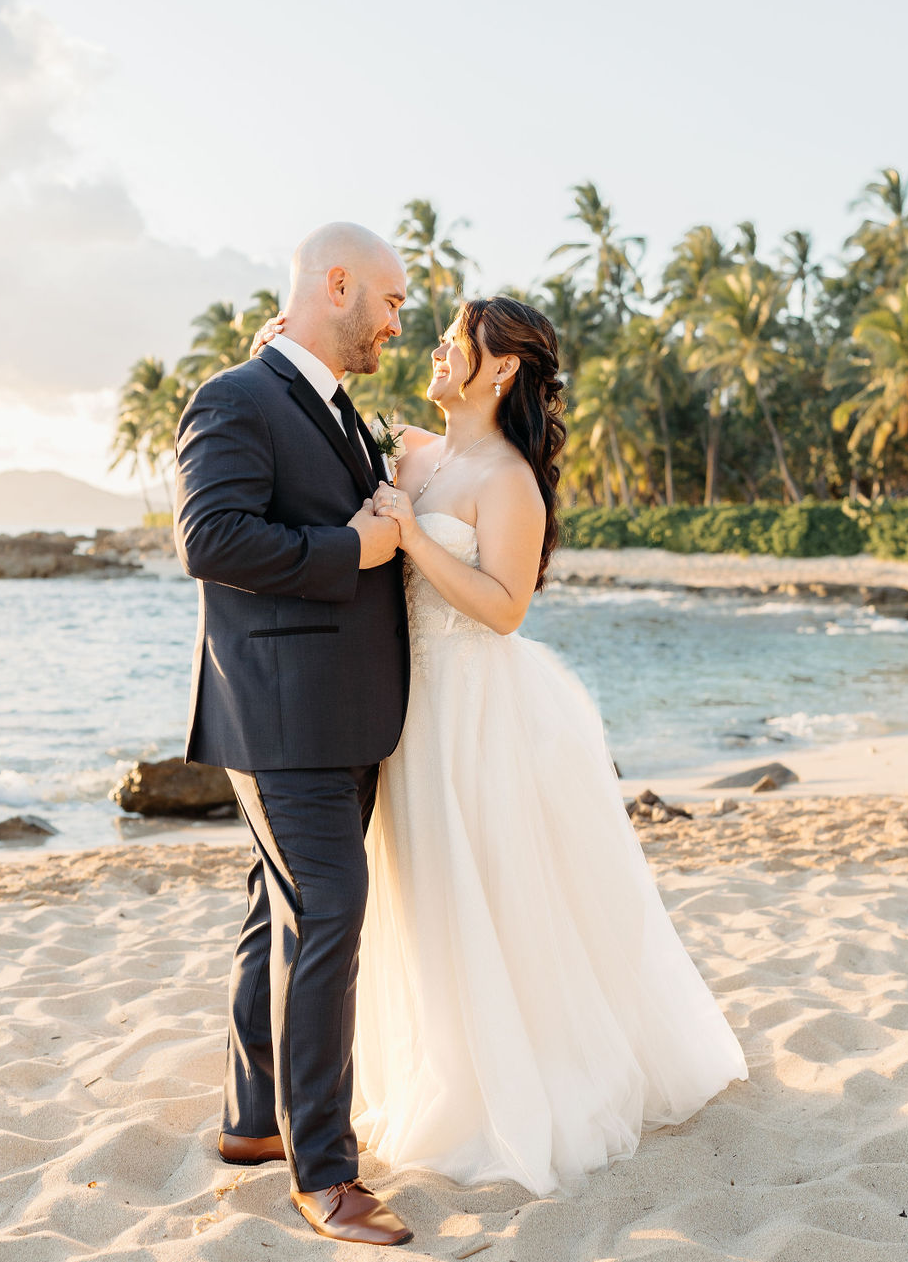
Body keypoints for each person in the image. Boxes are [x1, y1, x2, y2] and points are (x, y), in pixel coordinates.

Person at [254, 294, 748, 1197]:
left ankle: (516, 1080)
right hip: (408, 716)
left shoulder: (508, 479)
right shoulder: (412, 449)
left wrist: (410, 538)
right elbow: (322, 426)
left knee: (492, 891)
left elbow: (505, 608)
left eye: (454, 339)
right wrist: (276, 353)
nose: (436, 349)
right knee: (427, 898)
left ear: (502, 367)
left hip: (479, 711)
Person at [174, 221, 416, 1247]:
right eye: (392, 303)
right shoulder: (236, 397)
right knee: (327, 913)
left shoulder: (320, 401)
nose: (399, 325)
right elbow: (211, 538)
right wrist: (351, 548)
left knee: (278, 911)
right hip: (283, 718)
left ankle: (250, 1123)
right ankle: (325, 1172)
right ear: (338, 284)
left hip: (339, 713)